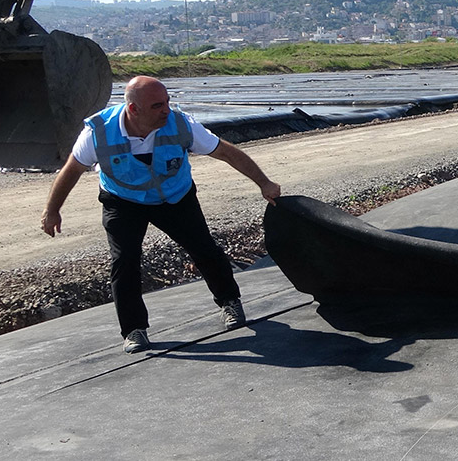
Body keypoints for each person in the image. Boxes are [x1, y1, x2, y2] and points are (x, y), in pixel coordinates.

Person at [41, 76, 281, 353]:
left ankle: (230, 302)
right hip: (123, 200)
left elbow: (226, 152)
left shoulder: (181, 125)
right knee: (125, 260)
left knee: (203, 248)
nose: (166, 110)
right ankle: (134, 330)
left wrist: (263, 182)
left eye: (167, 102)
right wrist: (52, 210)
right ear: (133, 110)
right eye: (157, 106)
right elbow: (71, 170)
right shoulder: (98, 133)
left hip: (174, 197)